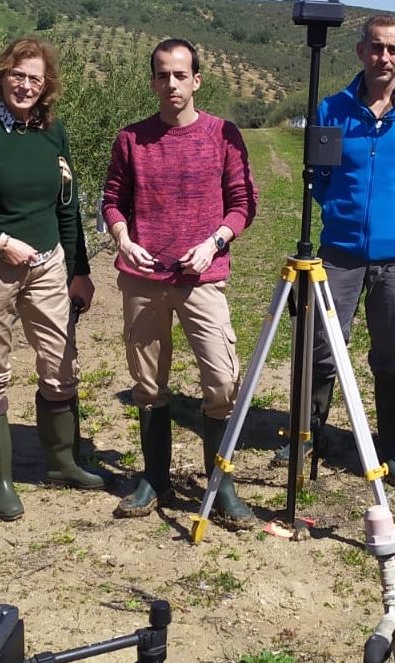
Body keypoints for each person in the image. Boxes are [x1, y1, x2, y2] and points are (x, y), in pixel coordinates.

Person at [0, 37, 104, 522]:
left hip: (48, 264)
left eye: (35, 78)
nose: (25, 85)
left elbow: (66, 206)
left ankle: (62, 461)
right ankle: (1, 480)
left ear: (47, 84)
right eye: (17, 75)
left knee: (60, 362)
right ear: (2, 75)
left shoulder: (54, 132)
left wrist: (80, 271)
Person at [276, 15, 395, 486]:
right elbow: (320, 180)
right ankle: (310, 435)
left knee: (392, 354)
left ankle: (388, 443)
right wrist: (346, 215)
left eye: (392, 49)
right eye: (375, 48)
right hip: (340, 255)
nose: (383, 57)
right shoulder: (331, 110)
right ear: (359, 51)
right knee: (322, 348)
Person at [101, 38, 258, 525]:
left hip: (202, 277)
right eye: (162, 75)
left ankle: (221, 483)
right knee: (148, 384)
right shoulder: (131, 139)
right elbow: (112, 199)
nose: (171, 83)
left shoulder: (222, 134)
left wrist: (215, 241)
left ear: (196, 80)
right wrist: (122, 237)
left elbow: (243, 202)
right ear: (152, 81)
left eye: (179, 74)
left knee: (222, 381)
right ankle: (155, 477)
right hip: (143, 278)